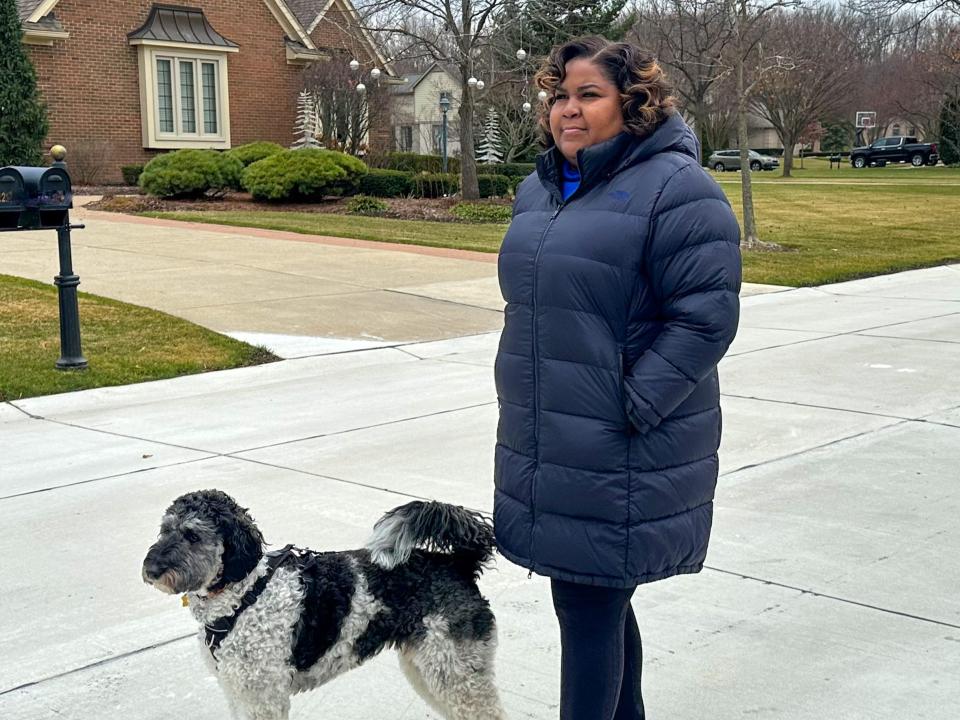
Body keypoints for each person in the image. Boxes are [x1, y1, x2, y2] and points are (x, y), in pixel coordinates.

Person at [493, 36, 742, 719]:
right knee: (596, 594)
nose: (567, 110)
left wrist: (628, 404)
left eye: (588, 95)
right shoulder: (541, 190)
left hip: (618, 441)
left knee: (587, 599)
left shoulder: (679, 189)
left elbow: (705, 319)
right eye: (559, 96)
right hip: (549, 434)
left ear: (632, 105)